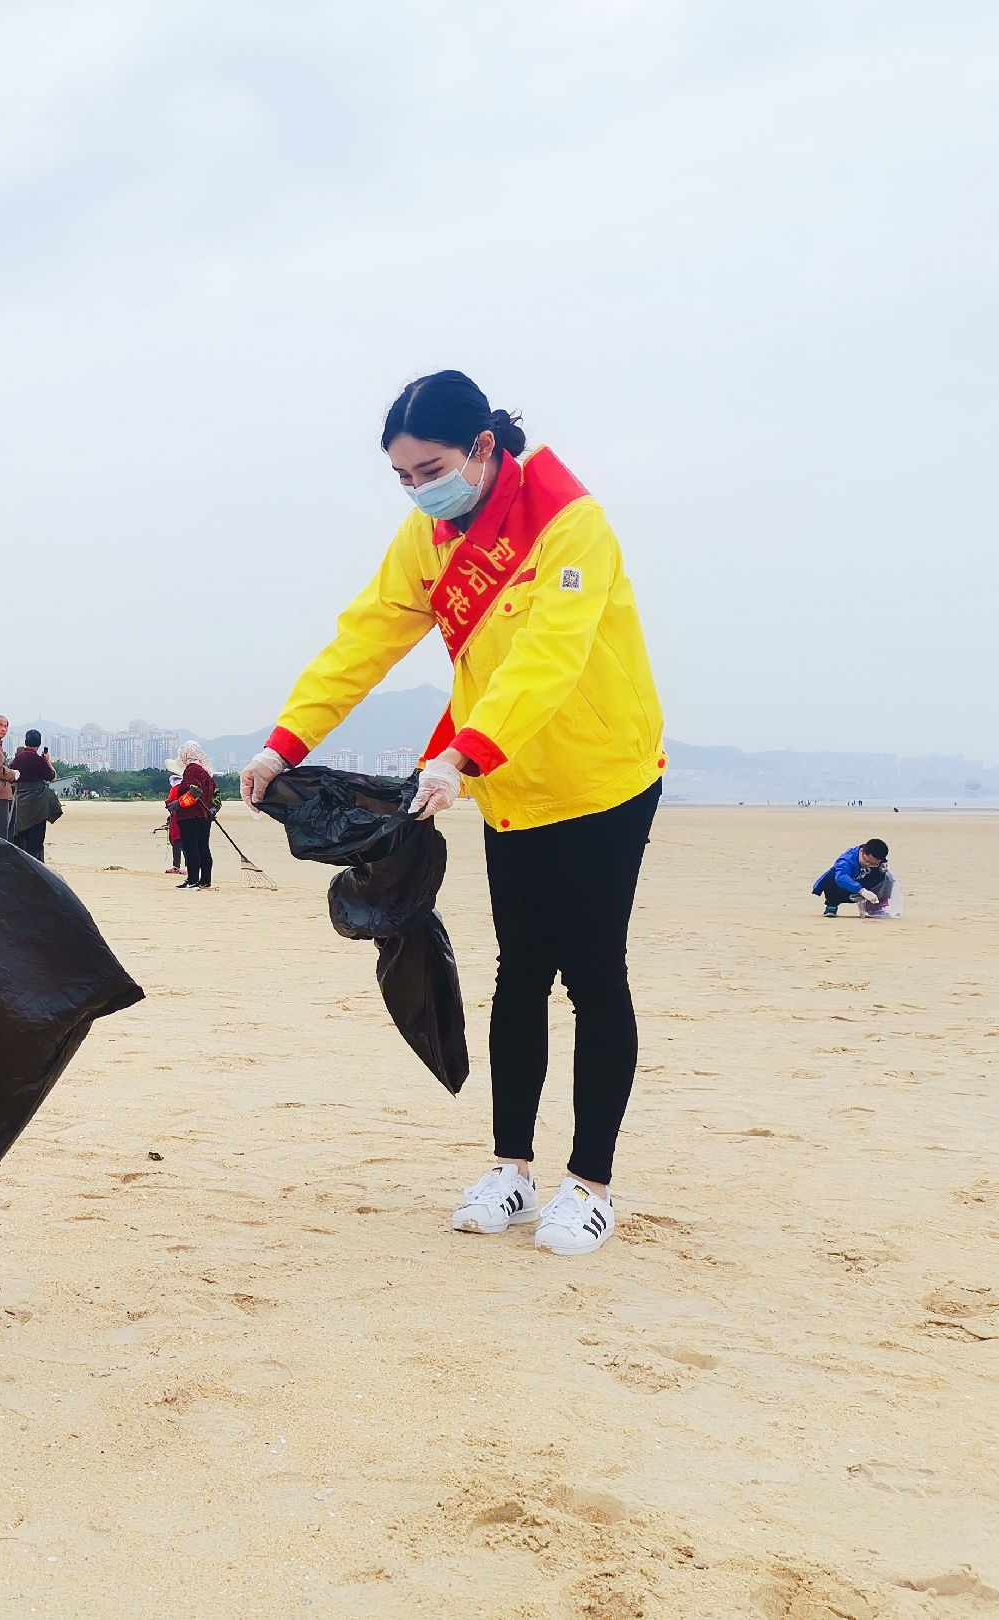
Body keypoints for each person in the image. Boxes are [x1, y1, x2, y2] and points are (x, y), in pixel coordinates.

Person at [240, 371, 665, 1258]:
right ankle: (512, 1171)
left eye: (426, 468)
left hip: (599, 777)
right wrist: (287, 738)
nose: (416, 489)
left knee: (593, 973)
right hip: (507, 782)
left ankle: (589, 1185)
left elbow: (549, 656)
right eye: (400, 476)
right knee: (519, 973)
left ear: (482, 446)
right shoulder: (428, 535)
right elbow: (366, 636)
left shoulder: (568, 518)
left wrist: (464, 754)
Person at [171, 741, 217, 889]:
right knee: (203, 846)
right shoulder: (206, 772)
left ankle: (192, 881)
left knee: (191, 848)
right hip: (205, 817)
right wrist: (213, 809)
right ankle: (205, 880)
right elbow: (216, 794)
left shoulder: (191, 770)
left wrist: (179, 803)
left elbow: (195, 792)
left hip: (190, 816)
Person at [10, 729, 61, 860]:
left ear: (26, 742)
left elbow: (10, 778)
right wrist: (47, 761)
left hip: (21, 805)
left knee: (21, 839)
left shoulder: (18, 759)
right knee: (36, 842)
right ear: (39, 744)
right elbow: (54, 777)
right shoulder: (38, 760)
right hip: (38, 807)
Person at [813, 838, 891, 915]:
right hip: (845, 888)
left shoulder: (880, 861)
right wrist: (862, 891)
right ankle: (831, 905)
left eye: (874, 863)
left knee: (885, 877)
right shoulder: (847, 859)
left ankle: (875, 906)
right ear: (862, 851)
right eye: (867, 861)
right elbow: (840, 878)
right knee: (833, 876)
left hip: (865, 882)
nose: (869, 865)